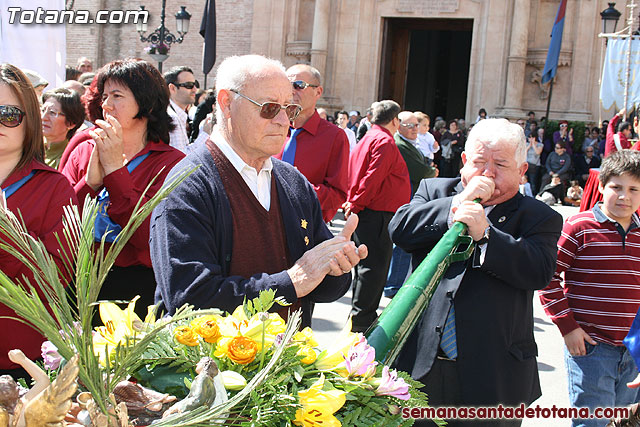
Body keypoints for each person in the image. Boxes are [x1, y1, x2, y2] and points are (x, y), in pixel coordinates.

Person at [150, 55, 367, 328]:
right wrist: (292, 282)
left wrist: (336, 267)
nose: (282, 121)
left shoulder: (293, 182)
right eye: (268, 108)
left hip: (288, 364)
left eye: (289, 109)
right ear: (226, 103)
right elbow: (189, 298)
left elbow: (318, 287)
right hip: (208, 367)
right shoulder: (187, 184)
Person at [390, 118, 562, 425]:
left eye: (500, 164)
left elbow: (538, 271)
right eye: (480, 162)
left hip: (494, 374)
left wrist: (487, 235)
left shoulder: (539, 217)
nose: (488, 173)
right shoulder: (434, 191)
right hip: (420, 364)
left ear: (522, 172)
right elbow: (400, 230)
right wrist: (457, 204)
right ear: (464, 162)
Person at [61, 59, 185, 316]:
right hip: (79, 278)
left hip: (138, 287)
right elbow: (61, 225)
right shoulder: (83, 150)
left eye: (117, 96)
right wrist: (90, 184)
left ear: (147, 103)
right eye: (104, 96)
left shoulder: (169, 163)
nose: (106, 105)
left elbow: (146, 238)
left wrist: (116, 172)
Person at [539, 150, 640, 427]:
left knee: (625, 420)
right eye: (616, 187)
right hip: (591, 347)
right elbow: (548, 278)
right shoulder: (579, 227)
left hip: (634, 351)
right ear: (601, 186)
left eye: (634, 189)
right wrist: (568, 327)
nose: (624, 196)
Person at [0, 63, 77, 379]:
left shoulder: (54, 187)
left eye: (8, 114)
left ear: (29, 120)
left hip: (21, 358)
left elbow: (56, 278)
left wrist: (7, 234)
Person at [343, 100, 411, 332]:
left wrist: (354, 201)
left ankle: (359, 317)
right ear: (394, 120)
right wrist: (356, 202)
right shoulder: (384, 140)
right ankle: (362, 322)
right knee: (373, 268)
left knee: (365, 267)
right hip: (376, 213)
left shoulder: (369, 138)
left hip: (369, 210)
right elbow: (373, 177)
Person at [275, 64, 349, 223]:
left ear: (318, 92)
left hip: (307, 230)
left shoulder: (334, 137)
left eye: (299, 85)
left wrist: (296, 190)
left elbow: (338, 195)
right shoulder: (271, 127)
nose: (292, 91)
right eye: (287, 85)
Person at [384, 111, 436, 298]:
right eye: (411, 126)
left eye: (417, 125)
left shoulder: (410, 144)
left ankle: (396, 283)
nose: (416, 129)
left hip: (413, 195)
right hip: (407, 196)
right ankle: (394, 285)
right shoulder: (400, 145)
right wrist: (431, 171)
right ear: (399, 126)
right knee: (403, 241)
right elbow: (420, 170)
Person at [41, 88, 85, 168]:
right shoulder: (27, 149)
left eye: (52, 113)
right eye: (43, 110)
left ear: (71, 123)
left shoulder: (72, 158)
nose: (43, 117)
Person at [164, 66, 199, 153]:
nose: (195, 89)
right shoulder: (172, 117)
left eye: (195, 85)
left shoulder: (175, 114)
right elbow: (182, 160)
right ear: (172, 88)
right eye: (189, 85)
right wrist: (205, 134)